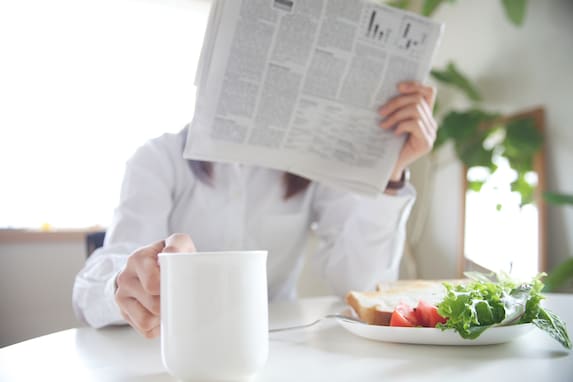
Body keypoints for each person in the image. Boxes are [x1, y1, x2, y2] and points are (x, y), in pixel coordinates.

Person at [73, 81, 437, 338]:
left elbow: (358, 284)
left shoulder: (313, 167)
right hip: (168, 350)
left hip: (274, 348)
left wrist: (391, 174)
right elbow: (90, 289)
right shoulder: (156, 159)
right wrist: (123, 283)